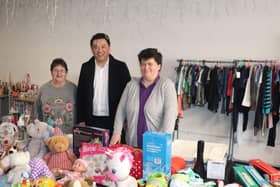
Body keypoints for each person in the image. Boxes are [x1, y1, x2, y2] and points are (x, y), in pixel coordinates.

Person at [110, 48, 178, 148]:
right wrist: (117, 132)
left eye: (150, 64)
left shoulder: (167, 86)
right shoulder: (131, 85)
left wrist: (162, 141)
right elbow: (121, 110)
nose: (146, 67)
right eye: (143, 64)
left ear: (159, 66)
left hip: (156, 146)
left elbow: (170, 115)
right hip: (132, 143)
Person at [76, 33, 131, 138]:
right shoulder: (86, 67)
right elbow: (80, 95)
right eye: (95, 47)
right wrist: (81, 120)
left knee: (114, 152)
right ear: (92, 49)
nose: (99, 50)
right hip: (91, 120)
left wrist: (126, 119)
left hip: (114, 120)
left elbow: (128, 96)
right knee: (92, 152)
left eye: (103, 46)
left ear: (109, 48)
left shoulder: (120, 67)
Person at [34, 58, 77, 134]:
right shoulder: (43, 89)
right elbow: (37, 112)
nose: (59, 73)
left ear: (66, 72)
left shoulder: (73, 89)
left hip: (69, 135)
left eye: (62, 71)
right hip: (48, 135)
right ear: (51, 72)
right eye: (56, 70)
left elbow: (80, 109)